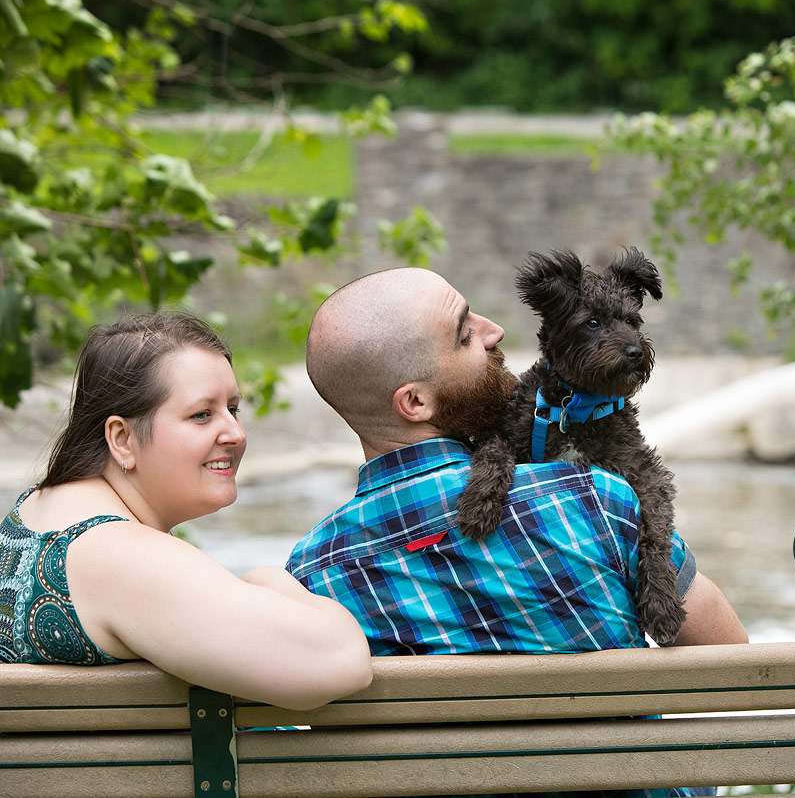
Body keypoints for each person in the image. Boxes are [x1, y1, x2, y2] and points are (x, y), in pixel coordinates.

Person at [288, 267, 747, 656]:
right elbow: (733, 673)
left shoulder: (312, 575)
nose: (496, 331)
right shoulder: (600, 501)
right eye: (465, 334)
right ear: (415, 402)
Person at [0, 313, 372, 711]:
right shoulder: (123, 557)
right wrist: (266, 579)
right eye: (201, 415)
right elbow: (342, 661)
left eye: (233, 408)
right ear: (122, 439)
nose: (236, 433)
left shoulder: (39, 510)